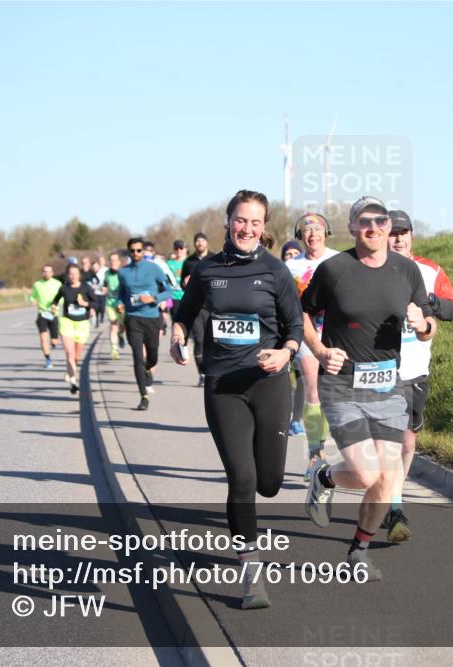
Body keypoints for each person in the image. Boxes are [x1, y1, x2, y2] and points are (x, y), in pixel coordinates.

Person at [170, 189, 302, 609]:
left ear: (264, 227)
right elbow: (185, 312)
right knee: (241, 478)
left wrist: (285, 353)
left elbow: (295, 326)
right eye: (241, 220)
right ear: (228, 222)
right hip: (223, 385)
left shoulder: (275, 270)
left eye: (255, 222)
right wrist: (177, 335)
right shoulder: (207, 270)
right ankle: (251, 575)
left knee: (270, 484)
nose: (247, 229)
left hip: (269, 383)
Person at [301, 196, 435, 581]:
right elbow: (302, 313)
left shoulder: (407, 271)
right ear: (352, 227)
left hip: (389, 387)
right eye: (364, 221)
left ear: (388, 226)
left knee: (388, 477)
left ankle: (358, 551)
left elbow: (428, 327)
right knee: (364, 474)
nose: (373, 227)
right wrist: (320, 350)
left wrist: (422, 324)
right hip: (343, 384)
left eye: (380, 221)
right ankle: (323, 476)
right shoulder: (334, 269)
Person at [385, 209, 453, 543]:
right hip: (381, 370)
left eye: (403, 232)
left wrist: (427, 301)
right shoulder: (371, 269)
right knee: (389, 440)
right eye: (392, 233)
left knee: (408, 441)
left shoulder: (430, 271)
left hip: (416, 369)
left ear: (412, 235)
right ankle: (394, 507)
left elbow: (451, 309)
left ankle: (391, 494)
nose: (398, 238)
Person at [286, 213, 340, 477]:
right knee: (313, 390)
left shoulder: (339, 260)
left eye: (318, 229)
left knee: (330, 394)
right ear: (300, 236)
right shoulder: (290, 267)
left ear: (326, 233)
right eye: (307, 230)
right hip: (307, 333)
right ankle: (315, 454)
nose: (312, 234)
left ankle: (326, 444)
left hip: (336, 333)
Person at [118, 237, 174, 411]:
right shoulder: (123, 272)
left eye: (138, 250)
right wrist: (119, 303)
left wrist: (154, 298)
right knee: (137, 357)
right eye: (132, 251)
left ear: (143, 251)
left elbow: (169, 291)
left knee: (152, 356)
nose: (135, 253)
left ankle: (148, 368)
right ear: (129, 252)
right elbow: (121, 294)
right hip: (132, 318)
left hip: (151, 318)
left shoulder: (154, 268)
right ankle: (143, 396)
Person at [51, 264, 96, 395]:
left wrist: (86, 304)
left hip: (82, 324)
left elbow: (96, 303)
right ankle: (73, 382)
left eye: (75, 273)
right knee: (70, 354)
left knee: (76, 357)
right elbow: (55, 299)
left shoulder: (86, 287)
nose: (73, 276)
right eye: (70, 273)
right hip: (67, 322)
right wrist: (53, 306)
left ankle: (70, 371)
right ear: (67, 275)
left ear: (79, 275)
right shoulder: (64, 288)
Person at [181, 231, 212, 386]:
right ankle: (202, 373)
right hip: (196, 307)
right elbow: (182, 283)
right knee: (199, 340)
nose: (200, 243)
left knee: (211, 341)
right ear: (194, 244)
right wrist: (185, 283)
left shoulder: (214, 258)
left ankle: (212, 372)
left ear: (206, 242)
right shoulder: (189, 262)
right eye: (197, 241)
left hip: (213, 306)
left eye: (202, 240)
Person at [281, 240, 305, 435]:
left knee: (302, 379)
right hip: (281, 334)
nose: (291, 258)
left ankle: (296, 420)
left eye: (295, 254)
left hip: (303, 333)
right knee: (283, 380)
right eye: (288, 255)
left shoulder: (306, 278)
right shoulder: (278, 276)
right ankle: (281, 417)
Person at [29, 264, 62, 369]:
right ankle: (48, 359)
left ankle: (53, 343)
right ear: (42, 273)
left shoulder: (57, 284)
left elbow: (62, 298)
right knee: (43, 337)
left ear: (52, 273)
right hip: (42, 313)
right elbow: (32, 296)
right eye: (45, 271)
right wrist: (33, 301)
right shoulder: (37, 284)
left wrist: (55, 305)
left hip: (53, 314)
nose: (47, 273)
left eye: (49, 271)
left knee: (54, 341)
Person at [104, 251, 124, 360]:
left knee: (122, 326)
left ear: (119, 262)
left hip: (122, 305)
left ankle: (120, 335)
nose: (113, 262)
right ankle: (114, 349)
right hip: (110, 303)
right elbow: (105, 285)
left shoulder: (124, 273)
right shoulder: (106, 273)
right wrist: (104, 289)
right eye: (111, 260)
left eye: (115, 260)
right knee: (113, 325)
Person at [166, 240, 187, 325]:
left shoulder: (190, 262)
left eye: (181, 248)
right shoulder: (168, 264)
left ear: (185, 249)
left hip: (188, 297)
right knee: (175, 322)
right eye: (176, 248)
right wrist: (168, 302)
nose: (179, 250)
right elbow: (165, 283)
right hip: (173, 297)